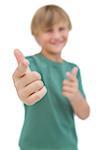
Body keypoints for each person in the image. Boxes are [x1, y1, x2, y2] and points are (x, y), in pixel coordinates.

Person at [12, 4, 90, 150]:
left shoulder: (73, 70)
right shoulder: (30, 65)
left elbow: (84, 114)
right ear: (36, 35)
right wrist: (23, 88)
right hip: (32, 146)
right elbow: (24, 87)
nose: (56, 36)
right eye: (48, 30)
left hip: (66, 145)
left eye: (61, 29)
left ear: (69, 29)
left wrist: (75, 96)